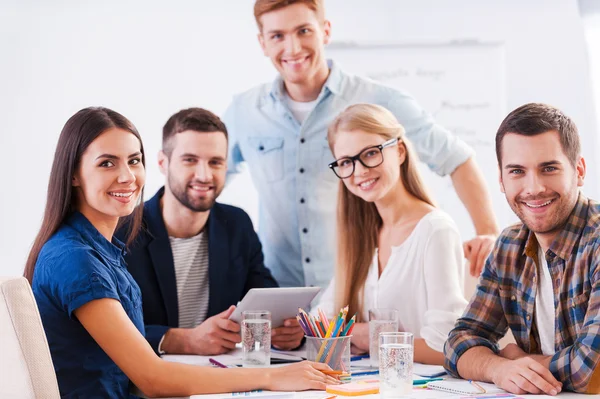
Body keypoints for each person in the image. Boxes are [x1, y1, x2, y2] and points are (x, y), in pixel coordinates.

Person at [25, 107, 338, 398]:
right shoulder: (77, 259)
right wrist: (272, 377)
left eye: (134, 161)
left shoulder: (99, 249)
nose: (127, 176)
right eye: (107, 163)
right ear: (74, 174)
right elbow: (153, 378)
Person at [223, 0, 499, 289]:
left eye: (304, 30)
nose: (292, 48)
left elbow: (456, 159)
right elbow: (208, 182)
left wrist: (489, 233)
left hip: (359, 292)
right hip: (279, 295)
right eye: (277, 36)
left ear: (325, 31)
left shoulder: (381, 100)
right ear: (263, 43)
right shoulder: (244, 111)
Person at [444, 103, 600, 395]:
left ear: (578, 171)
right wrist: (498, 368)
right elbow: (458, 343)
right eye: (517, 171)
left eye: (549, 168)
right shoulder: (509, 246)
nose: (534, 187)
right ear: (502, 180)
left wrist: (519, 359)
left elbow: (592, 371)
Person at [119, 107, 303, 354]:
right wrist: (184, 340)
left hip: (217, 375)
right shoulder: (123, 229)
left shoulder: (236, 224)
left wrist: (288, 331)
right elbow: (109, 328)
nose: (204, 175)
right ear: (163, 162)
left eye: (215, 162)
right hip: (145, 379)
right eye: (190, 160)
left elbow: (266, 299)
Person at [312, 103, 467, 365]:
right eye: (346, 162)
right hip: (368, 385)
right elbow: (321, 319)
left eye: (371, 153)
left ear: (400, 151)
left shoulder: (434, 230)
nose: (359, 171)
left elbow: (445, 347)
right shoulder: (362, 234)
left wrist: (365, 335)